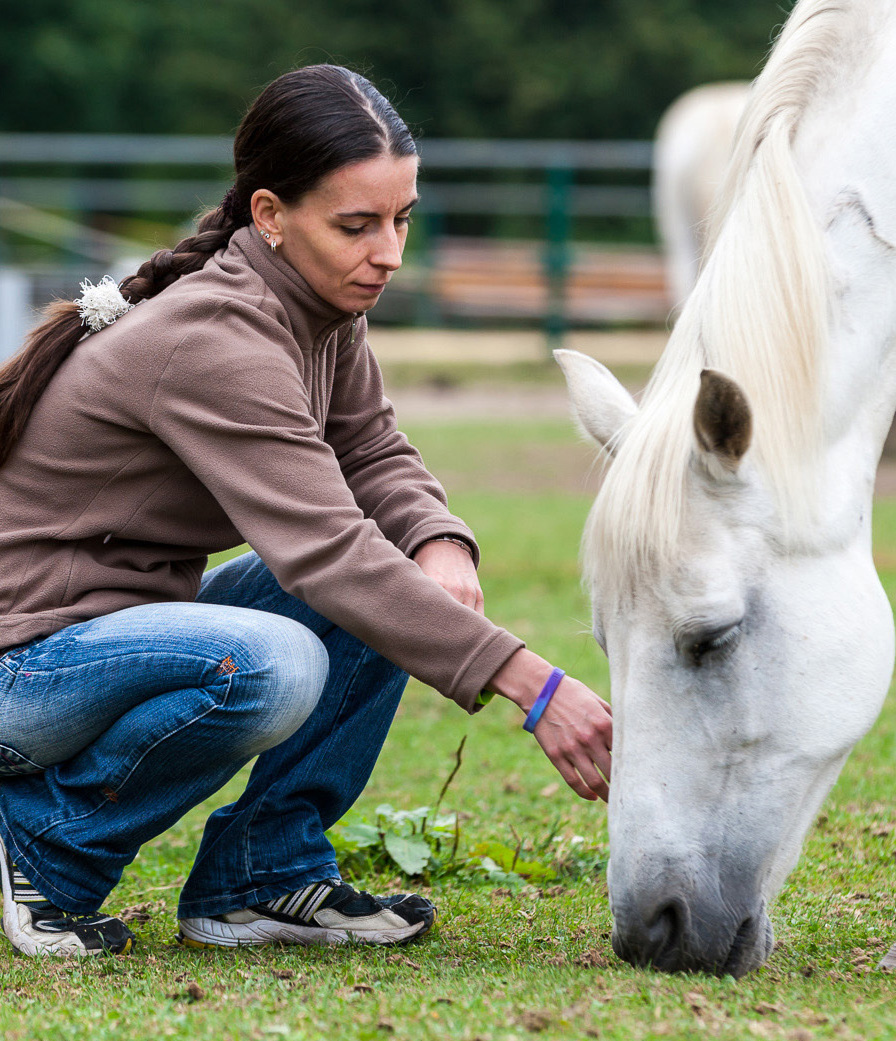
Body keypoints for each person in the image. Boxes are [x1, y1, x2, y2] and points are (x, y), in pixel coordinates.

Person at [0, 65, 612, 958]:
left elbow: (367, 450)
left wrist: (440, 543)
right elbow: (325, 551)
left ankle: (261, 875)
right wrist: (536, 687)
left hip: (106, 643)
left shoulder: (319, 300)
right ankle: (43, 847)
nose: (390, 252)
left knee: (391, 589)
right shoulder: (215, 337)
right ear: (270, 215)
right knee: (271, 663)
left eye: (402, 219)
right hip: (25, 672)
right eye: (356, 225)